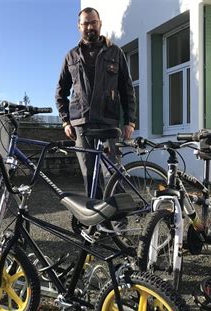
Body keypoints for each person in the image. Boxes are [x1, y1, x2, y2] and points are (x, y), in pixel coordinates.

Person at [55, 7, 136, 197]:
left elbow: (127, 89)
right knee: (89, 177)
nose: (90, 27)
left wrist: (130, 121)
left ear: (100, 24)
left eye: (93, 22)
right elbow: (60, 92)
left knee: (113, 174)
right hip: (81, 126)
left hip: (108, 122)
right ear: (79, 26)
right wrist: (66, 120)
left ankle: (119, 223)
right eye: (85, 23)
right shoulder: (71, 56)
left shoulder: (115, 52)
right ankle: (99, 223)